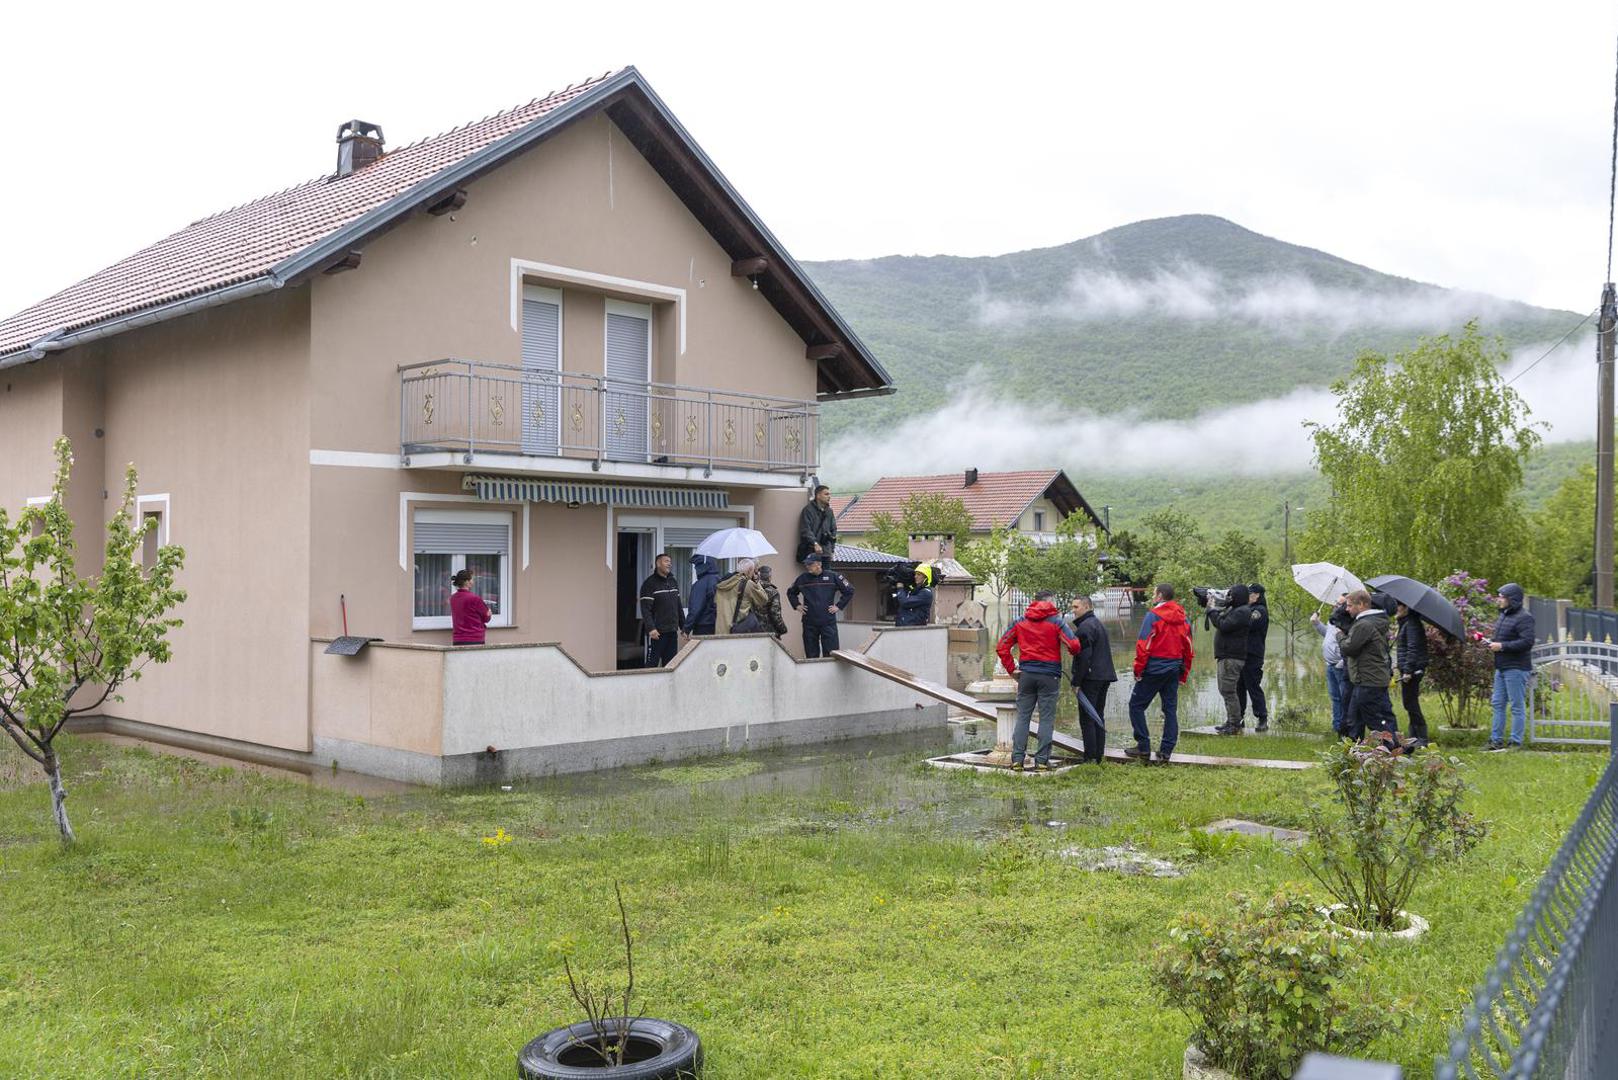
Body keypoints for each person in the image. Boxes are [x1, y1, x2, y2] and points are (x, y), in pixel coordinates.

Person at [996, 590, 1082, 771]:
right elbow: (1074, 645)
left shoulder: (1020, 621)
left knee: (1023, 717)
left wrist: (1012, 669)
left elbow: (1002, 646)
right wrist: (1071, 652)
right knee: (1046, 719)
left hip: (1026, 675)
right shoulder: (1056, 622)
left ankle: (1017, 760)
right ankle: (1042, 761)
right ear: (1050, 602)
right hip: (1049, 676)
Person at [1127, 583, 1194, 764]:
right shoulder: (1184, 618)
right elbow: (1189, 648)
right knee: (1170, 710)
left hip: (1154, 669)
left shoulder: (1153, 616)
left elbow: (1143, 645)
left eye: (1154, 593)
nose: (1152, 596)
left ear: (1160, 596)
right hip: (1174, 669)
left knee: (1136, 706)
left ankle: (1143, 747)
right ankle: (1165, 752)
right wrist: (1184, 673)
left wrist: (1138, 670)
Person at [1338, 589, 1397, 740]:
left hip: (1368, 680)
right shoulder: (1370, 622)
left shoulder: (1364, 625)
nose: (1347, 609)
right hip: (1367, 679)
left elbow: (1349, 648)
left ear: (1362, 604)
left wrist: (1340, 635)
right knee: (1356, 717)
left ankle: (1394, 746)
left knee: (1374, 719)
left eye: (1350, 605)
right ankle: (1354, 749)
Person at [1487, 583, 1536, 751]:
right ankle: (1496, 741)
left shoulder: (1524, 617)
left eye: (1502, 597)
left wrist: (1502, 646)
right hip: (1501, 667)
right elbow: (1504, 639)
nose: (1499, 599)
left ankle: (1515, 742)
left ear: (1512, 599)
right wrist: (1491, 643)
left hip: (1516, 668)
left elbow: (1527, 642)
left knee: (1516, 706)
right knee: (1497, 704)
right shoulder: (1504, 615)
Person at [1067, 595, 1116, 764]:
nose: (1073, 610)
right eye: (1073, 607)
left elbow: (1084, 658)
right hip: (1104, 675)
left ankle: (1090, 757)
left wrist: (1076, 682)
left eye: (1076, 607)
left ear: (1087, 607)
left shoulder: (1085, 628)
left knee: (1087, 718)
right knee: (1097, 716)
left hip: (1091, 678)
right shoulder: (1097, 623)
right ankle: (1099, 756)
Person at [1208, 584, 1255, 735]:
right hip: (1227, 656)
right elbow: (1222, 619)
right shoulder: (1236, 609)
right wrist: (1213, 606)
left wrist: (1212, 611)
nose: (1229, 597)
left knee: (1228, 691)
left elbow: (1223, 625)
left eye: (1231, 595)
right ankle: (1230, 721)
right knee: (1225, 690)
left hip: (1231, 657)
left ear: (1238, 596)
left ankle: (1234, 724)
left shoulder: (1242, 611)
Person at [787, 553, 855, 658]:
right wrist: (797, 605)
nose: (807, 566)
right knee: (811, 655)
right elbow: (791, 592)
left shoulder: (833, 576)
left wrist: (838, 606)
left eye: (810, 564)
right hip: (809, 622)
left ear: (819, 564)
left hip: (828, 622)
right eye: (806, 564)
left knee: (831, 654)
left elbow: (849, 590)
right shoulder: (802, 578)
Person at [1310, 599, 1350, 735]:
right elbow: (1327, 634)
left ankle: (1345, 728)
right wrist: (1316, 623)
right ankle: (1337, 726)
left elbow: (1351, 645)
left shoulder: (1348, 622)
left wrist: (1341, 662)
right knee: (1335, 698)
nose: (1334, 605)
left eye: (1338, 604)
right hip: (1330, 665)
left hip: (1340, 666)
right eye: (1335, 603)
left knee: (1344, 698)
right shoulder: (1333, 620)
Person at [1235, 583, 1270, 732]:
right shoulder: (1247, 609)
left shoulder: (1260, 611)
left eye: (1250, 593)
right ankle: (1239, 718)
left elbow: (1247, 623)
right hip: (1241, 654)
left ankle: (1262, 718)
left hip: (1253, 655)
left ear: (1257, 595)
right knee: (1239, 687)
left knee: (1253, 687)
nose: (1248, 596)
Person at [638, 552, 684, 667]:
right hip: (657, 633)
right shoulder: (649, 584)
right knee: (652, 664)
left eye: (670, 562)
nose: (669, 564)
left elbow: (678, 606)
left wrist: (684, 627)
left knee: (670, 665)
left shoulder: (673, 582)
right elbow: (645, 609)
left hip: (672, 631)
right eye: (666, 561)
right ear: (658, 564)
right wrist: (651, 628)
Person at [1395, 601, 1430, 745]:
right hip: (1408, 669)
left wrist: (1408, 670)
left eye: (1398, 606)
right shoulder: (1406, 623)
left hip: (1413, 671)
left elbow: (1413, 648)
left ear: (1406, 608)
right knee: (1409, 702)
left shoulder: (1412, 624)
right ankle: (1414, 735)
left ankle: (1422, 737)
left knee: (1411, 703)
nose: (1396, 609)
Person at [714, 558, 771, 635]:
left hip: (720, 632)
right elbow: (764, 599)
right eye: (754, 571)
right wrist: (757, 582)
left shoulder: (721, 584)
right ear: (749, 571)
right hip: (737, 632)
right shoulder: (748, 584)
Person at [797, 485, 838, 566]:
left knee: (826, 573)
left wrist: (832, 549)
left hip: (826, 552)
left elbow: (833, 530)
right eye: (826, 494)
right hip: (812, 551)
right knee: (814, 572)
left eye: (829, 494)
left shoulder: (829, 511)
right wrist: (815, 543)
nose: (829, 497)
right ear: (818, 495)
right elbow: (806, 530)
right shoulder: (808, 510)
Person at [682, 554, 721, 638]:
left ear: (702, 566)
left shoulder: (700, 584)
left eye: (696, 566)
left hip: (703, 626)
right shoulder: (720, 580)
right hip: (719, 625)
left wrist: (686, 629)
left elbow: (696, 608)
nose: (695, 569)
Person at [449, 568, 491, 646]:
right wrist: (489, 614)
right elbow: (486, 618)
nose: (473, 581)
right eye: (472, 579)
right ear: (467, 582)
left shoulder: (453, 598)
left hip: (458, 639)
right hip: (474, 638)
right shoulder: (474, 598)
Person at [755, 565, 790, 639]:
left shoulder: (751, 588)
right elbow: (775, 614)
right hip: (768, 631)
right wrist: (783, 629)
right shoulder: (773, 592)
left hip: (752, 628)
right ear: (769, 577)